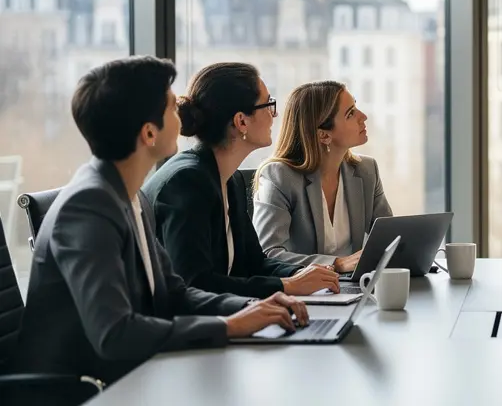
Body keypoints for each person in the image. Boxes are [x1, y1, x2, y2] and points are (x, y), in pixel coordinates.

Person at [13, 57, 309, 402]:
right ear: (149, 132)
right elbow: (115, 333)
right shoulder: (88, 207)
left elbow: (174, 291)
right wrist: (229, 326)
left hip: (130, 377)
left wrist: (250, 307)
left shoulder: (127, 194)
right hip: (80, 392)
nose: (184, 115)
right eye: (172, 108)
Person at [142, 62, 340, 298]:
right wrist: (287, 286)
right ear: (241, 121)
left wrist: (304, 273)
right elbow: (195, 283)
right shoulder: (187, 182)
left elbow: (254, 263)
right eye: (268, 105)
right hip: (191, 327)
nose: (274, 115)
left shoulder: (230, 179)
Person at [252, 81, 392, 269]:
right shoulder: (279, 177)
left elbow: (390, 238)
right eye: (350, 113)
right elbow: (269, 253)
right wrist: (336, 264)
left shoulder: (366, 170)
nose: (363, 117)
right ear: (323, 135)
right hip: (302, 292)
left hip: (355, 287)